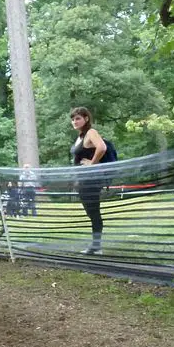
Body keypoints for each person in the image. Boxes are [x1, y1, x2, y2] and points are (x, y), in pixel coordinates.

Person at [69, 107, 107, 254]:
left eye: (78, 118)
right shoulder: (80, 136)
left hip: (92, 180)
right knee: (91, 212)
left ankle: (96, 247)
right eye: (73, 119)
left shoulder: (91, 132)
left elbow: (102, 147)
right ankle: (96, 245)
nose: (74, 121)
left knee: (94, 212)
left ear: (86, 118)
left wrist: (92, 163)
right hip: (83, 181)